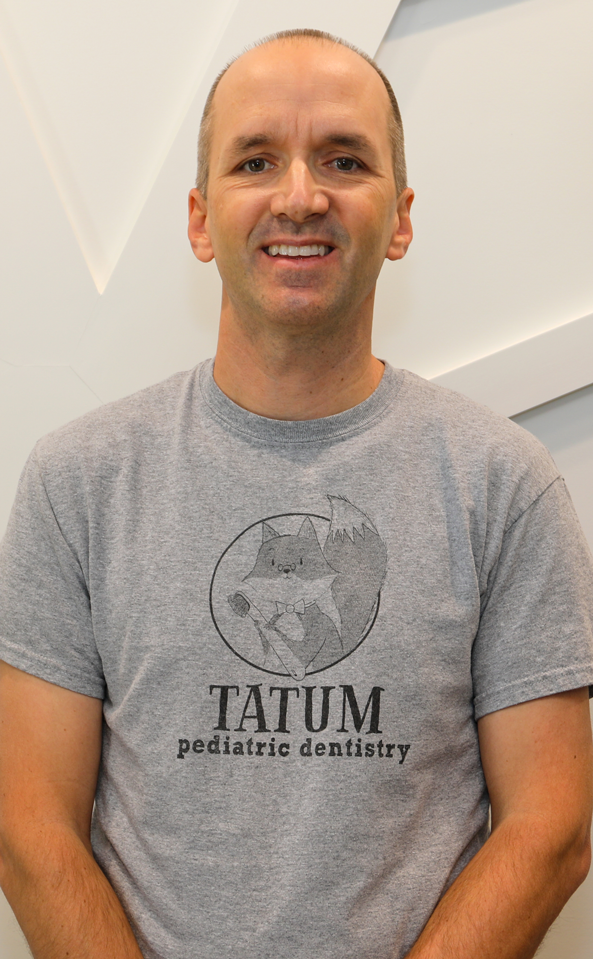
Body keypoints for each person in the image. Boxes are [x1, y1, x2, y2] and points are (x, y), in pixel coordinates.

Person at [0, 27, 592, 959]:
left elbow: (550, 827)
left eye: (344, 159)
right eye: (256, 160)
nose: (301, 195)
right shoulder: (78, 481)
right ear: (201, 218)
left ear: (399, 218)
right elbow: (29, 825)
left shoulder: (501, 485)